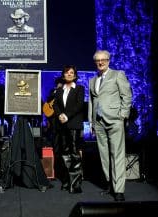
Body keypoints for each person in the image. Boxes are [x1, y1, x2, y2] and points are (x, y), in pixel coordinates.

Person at [88, 50, 132, 201]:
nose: (101, 62)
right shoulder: (93, 80)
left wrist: (123, 115)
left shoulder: (118, 74)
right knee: (104, 155)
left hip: (114, 120)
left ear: (108, 60)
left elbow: (126, 95)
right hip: (98, 122)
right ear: (95, 62)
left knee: (117, 155)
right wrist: (92, 122)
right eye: (98, 60)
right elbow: (92, 103)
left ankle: (119, 189)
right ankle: (110, 184)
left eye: (103, 60)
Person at [53, 65, 85, 194]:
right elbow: (55, 104)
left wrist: (67, 115)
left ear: (75, 75)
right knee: (64, 154)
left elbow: (79, 105)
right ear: (63, 75)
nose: (69, 74)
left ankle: (75, 184)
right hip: (62, 125)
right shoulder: (60, 90)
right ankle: (66, 181)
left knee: (74, 154)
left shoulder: (79, 89)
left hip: (74, 125)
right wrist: (60, 114)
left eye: (72, 73)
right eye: (67, 73)